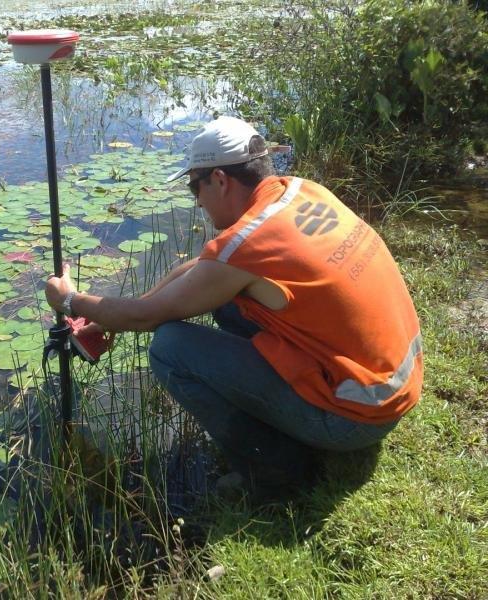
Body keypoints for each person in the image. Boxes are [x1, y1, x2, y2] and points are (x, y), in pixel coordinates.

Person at [45, 116, 423, 499]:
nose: (196, 199)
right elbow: (201, 270)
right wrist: (117, 313)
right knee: (226, 307)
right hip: (392, 385)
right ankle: (287, 426)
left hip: (354, 419)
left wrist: (70, 300)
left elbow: (148, 318)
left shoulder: (250, 244)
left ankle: (273, 468)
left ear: (221, 180)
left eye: (197, 186)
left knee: (170, 347)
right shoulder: (303, 192)